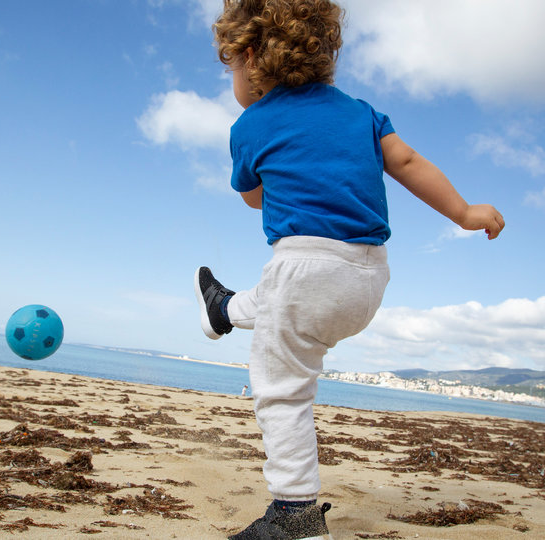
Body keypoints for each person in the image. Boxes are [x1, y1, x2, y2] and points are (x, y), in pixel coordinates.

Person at [194, 1, 505, 538]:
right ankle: (223, 310)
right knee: (278, 300)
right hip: (368, 277)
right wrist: (464, 212)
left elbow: (252, 198)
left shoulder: (250, 125)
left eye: (231, 68)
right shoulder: (363, 113)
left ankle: (295, 516)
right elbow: (407, 162)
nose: (233, 81)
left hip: (304, 267)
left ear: (250, 55)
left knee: (280, 388)